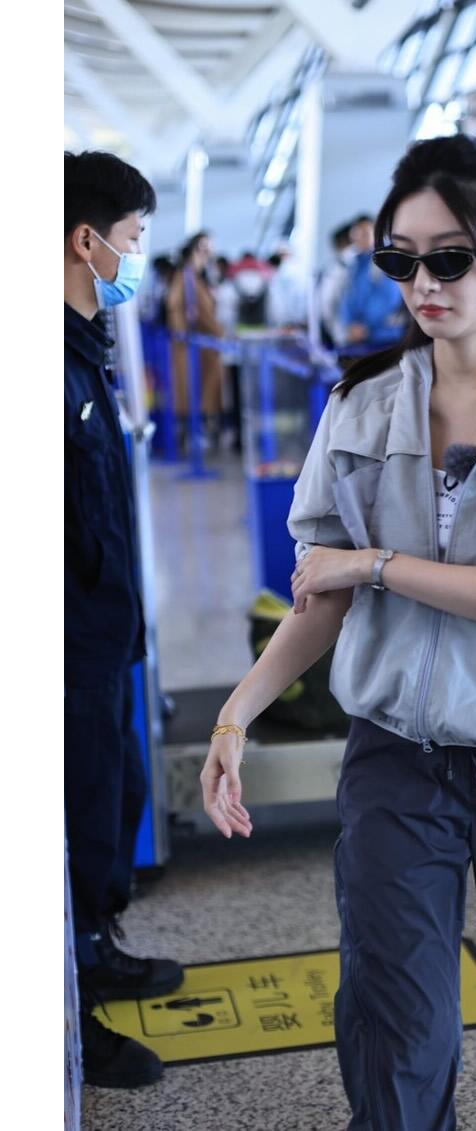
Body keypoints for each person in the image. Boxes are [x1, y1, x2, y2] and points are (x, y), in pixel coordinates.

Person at [199, 131, 476, 1130]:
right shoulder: (363, 403)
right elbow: (321, 590)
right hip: (399, 756)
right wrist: (237, 714)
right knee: (392, 1029)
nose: (422, 285)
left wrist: (376, 565)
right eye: (398, 261)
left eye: (449, 259)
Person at [65, 150, 184, 1088]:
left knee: (113, 797)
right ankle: (70, 1012)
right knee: (77, 812)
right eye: (133, 238)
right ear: (87, 241)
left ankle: (95, 949)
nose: (137, 257)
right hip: (69, 643)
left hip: (104, 634)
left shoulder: (83, 345)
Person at [165, 230, 225, 447]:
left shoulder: (201, 277)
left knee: (205, 392)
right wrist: (182, 334)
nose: (209, 252)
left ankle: (201, 431)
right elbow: (175, 306)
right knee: (189, 391)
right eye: (204, 247)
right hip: (190, 345)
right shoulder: (186, 276)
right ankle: (189, 435)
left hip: (205, 345)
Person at [337, 213, 407, 348]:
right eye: (356, 235)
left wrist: (366, 328)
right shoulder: (355, 265)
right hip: (358, 338)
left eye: (365, 234)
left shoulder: (385, 262)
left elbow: (388, 298)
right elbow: (347, 297)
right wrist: (348, 324)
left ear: (376, 234)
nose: (360, 239)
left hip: (383, 337)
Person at [319, 221, 358, 347]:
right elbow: (328, 305)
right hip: (347, 338)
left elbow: (327, 307)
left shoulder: (338, 268)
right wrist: (341, 334)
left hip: (348, 336)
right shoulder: (339, 268)